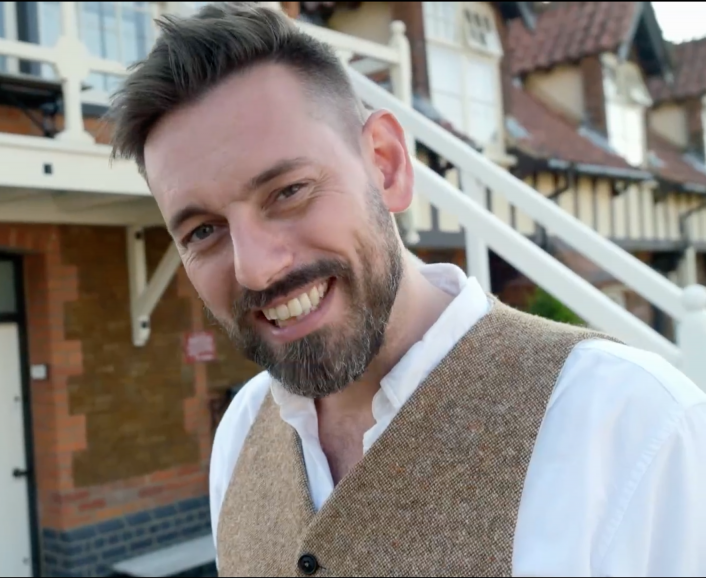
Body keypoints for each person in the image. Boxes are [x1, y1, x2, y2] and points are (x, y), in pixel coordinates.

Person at [107, 3, 706, 576]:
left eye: (288, 191)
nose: (256, 270)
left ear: (387, 165)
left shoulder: (632, 426)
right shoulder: (239, 432)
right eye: (204, 231)